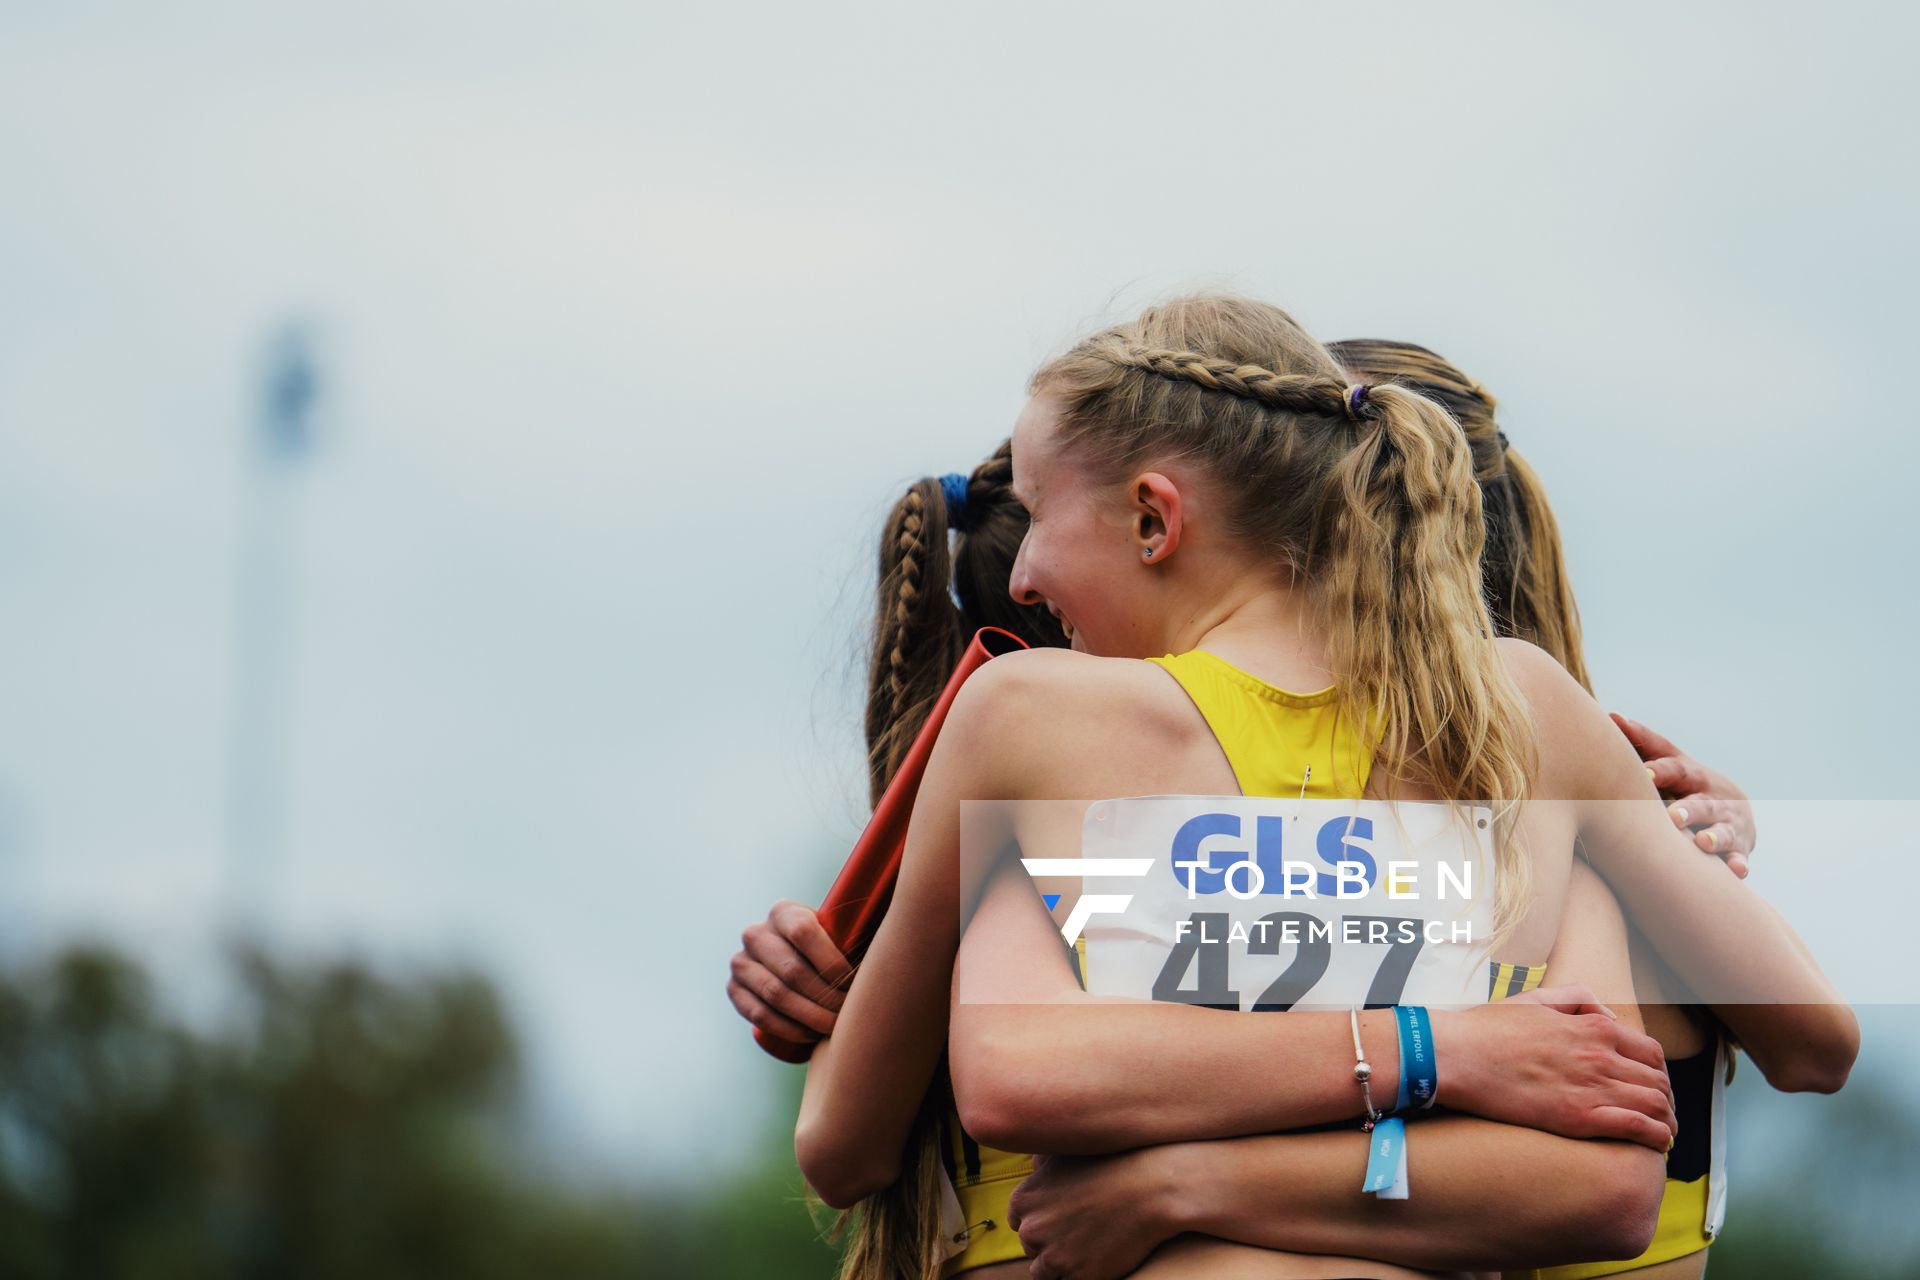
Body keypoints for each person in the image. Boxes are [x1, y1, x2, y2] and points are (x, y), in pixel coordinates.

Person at [730, 297, 1855, 1278]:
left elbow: (887, 1127)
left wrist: (1181, 1182)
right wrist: (1448, 1047)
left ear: (1158, 517)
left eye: (1040, 518)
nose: (1026, 575)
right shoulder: (1534, 739)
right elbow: (1776, 1065)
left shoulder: (1035, 732)